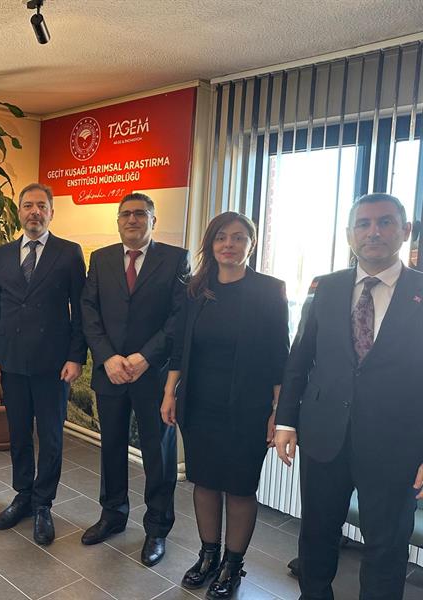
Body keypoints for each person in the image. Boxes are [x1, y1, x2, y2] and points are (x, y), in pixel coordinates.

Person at [274, 192, 423, 600]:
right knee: (317, 533)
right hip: (324, 435)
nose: (373, 232)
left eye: (385, 222)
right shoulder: (325, 286)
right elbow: (299, 357)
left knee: (386, 546)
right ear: (349, 234)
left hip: (397, 445)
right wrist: (285, 421)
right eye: (364, 223)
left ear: (405, 230)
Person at [161, 212, 289, 598]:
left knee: (239, 487)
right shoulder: (196, 289)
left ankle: (232, 566)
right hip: (200, 403)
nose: (228, 244)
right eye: (221, 237)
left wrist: (279, 412)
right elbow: (180, 348)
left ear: (251, 244)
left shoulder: (269, 290)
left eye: (237, 237)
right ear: (211, 244)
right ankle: (208, 556)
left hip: (248, 407)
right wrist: (170, 392)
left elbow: (279, 355)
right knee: (204, 481)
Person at [80, 192, 190, 567]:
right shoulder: (101, 258)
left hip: (153, 376)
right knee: (111, 447)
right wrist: (108, 357)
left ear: (153, 221)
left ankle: (157, 528)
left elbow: (179, 318)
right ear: (118, 221)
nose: (132, 219)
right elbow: (89, 311)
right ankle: (112, 515)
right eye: (125, 214)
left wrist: (145, 357)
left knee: (158, 455)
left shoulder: (175, 259)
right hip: (110, 372)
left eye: (140, 214)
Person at [0, 182, 87, 545]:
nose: (34, 212)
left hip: (53, 364)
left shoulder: (69, 253)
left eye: (41, 206)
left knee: (52, 437)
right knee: (19, 434)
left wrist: (76, 356)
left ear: (51, 212)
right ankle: (23, 495)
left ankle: (43, 504)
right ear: (19, 211)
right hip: (12, 361)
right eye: (28, 205)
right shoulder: (1, 255)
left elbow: (80, 311)